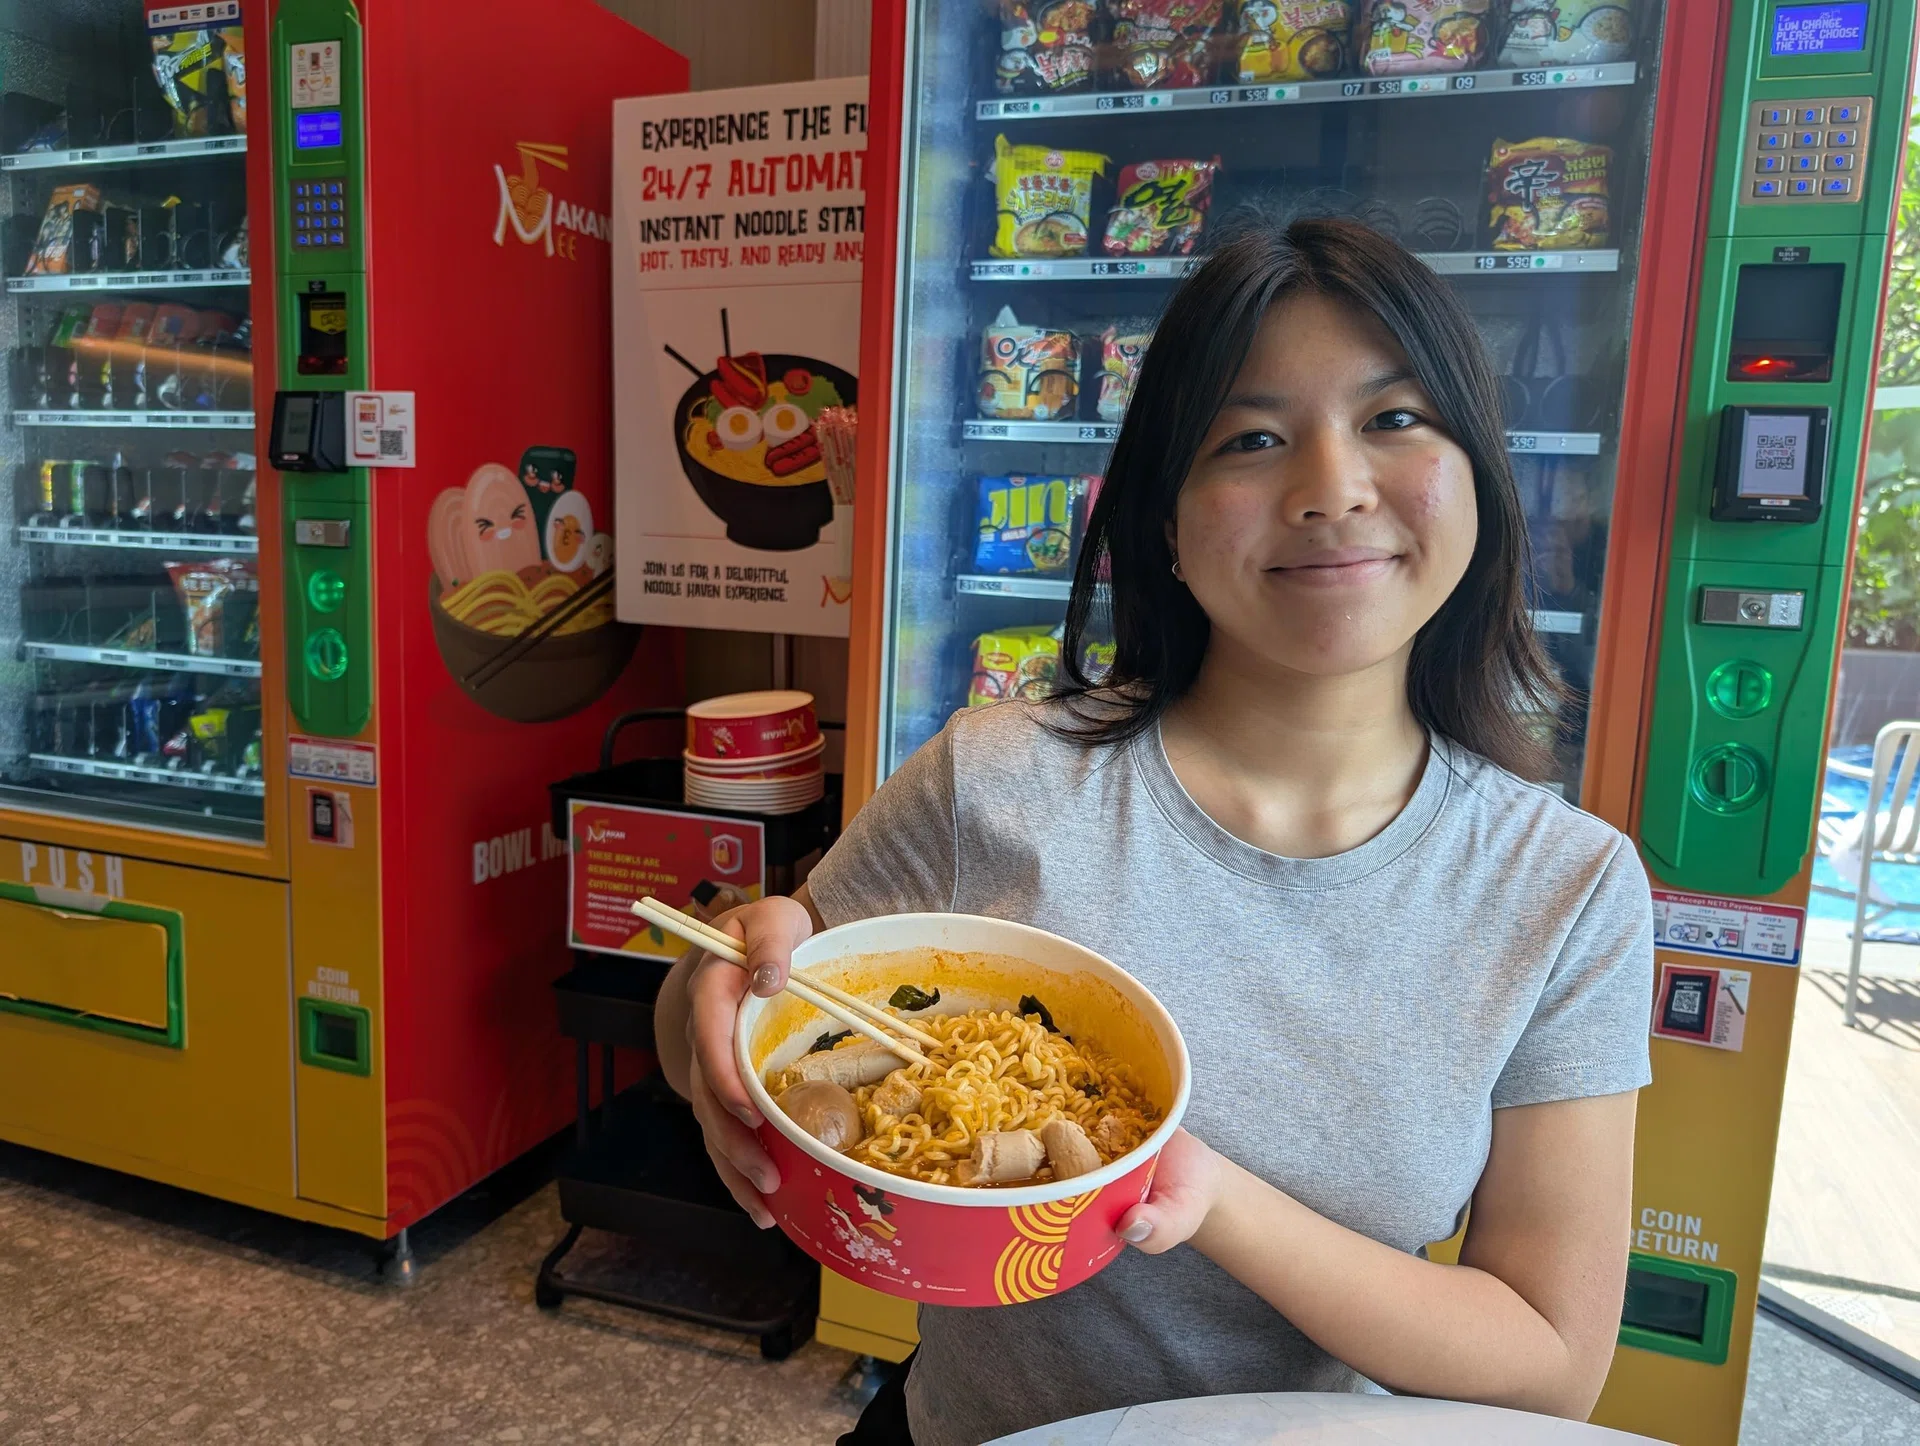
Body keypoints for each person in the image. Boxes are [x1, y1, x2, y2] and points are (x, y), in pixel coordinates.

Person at [653, 216, 1654, 1446]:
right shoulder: (993, 779)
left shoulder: (1566, 888)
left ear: (1480, 483)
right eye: (1252, 438)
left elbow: (1552, 1369)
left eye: (1395, 418)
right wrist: (708, 995)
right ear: (1167, 522)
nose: (1333, 488)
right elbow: (744, 1014)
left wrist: (1201, 1195)